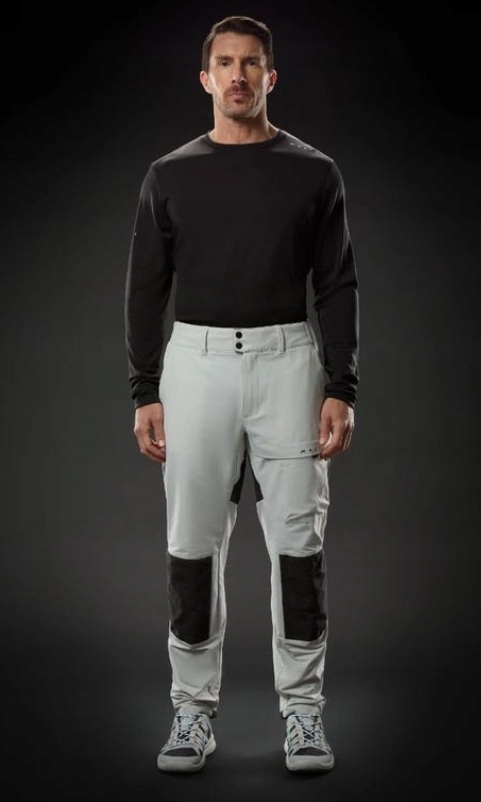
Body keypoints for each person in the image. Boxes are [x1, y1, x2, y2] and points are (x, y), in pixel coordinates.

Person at [124, 14, 359, 775]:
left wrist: (341, 385)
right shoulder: (169, 175)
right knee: (192, 543)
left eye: (250, 63)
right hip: (194, 364)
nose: (237, 75)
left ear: (270, 77)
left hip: (288, 361)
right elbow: (145, 289)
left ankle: (304, 715)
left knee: (298, 542)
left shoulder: (314, 172)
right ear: (205, 78)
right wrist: (145, 390)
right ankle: (191, 713)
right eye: (224, 63)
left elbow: (337, 283)